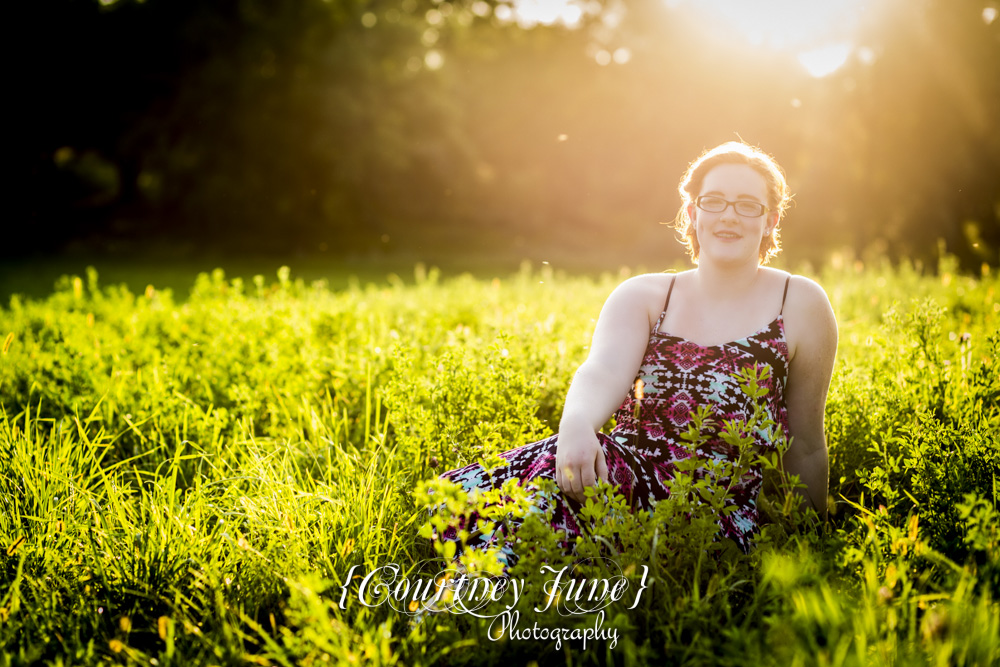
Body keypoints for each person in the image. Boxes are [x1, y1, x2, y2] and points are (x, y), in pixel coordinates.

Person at [433, 141, 838, 571]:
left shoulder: (799, 303)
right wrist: (576, 425)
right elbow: (603, 371)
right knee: (543, 480)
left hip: (713, 516)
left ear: (771, 220)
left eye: (748, 205)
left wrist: (813, 547)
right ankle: (485, 595)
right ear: (692, 213)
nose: (729, 215)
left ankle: (479, 593)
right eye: (714, 201)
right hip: (623, 475)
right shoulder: (645, 297)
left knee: (545, 507)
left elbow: (807, 443)